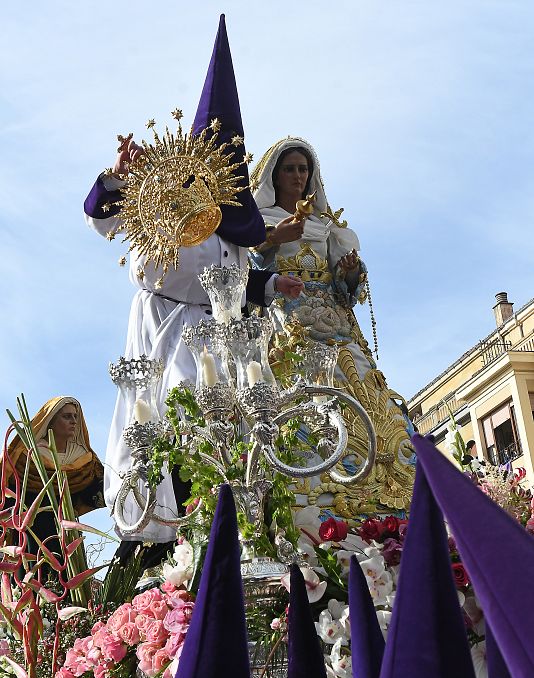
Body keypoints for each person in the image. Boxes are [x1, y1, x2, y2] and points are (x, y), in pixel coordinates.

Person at [84, 18, 302, 545]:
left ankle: (232, 527)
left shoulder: (233, 227)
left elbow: (230, 281)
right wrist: (119, 178)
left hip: (221, 335)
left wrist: (270, 288)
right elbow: (102, 217)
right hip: (168, 328)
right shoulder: (165, 198)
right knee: (174, 425)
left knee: (237, 434)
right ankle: (174, 537)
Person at [250, 137, 414, 521]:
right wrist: (275, 238)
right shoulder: (262, 220)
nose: (297, 175)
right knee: (295, 391)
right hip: (285, 317)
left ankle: (386, 475)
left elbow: (349, 288)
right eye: (289, 168)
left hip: (331, 319)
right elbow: (247, 265)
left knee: (359, 382)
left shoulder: (327, 226)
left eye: (302, 169)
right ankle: (311, 485)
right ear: (275, 174)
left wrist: (350, 270)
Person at [3, 397, 104, 571]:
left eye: (75, 416)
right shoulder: (29, 456)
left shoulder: (84, 459)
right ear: (51, 421)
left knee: (69, 579)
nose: (73, 421)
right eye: (67, 417)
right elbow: (9, 492)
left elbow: (94, 493)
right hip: (33, 532)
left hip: (67, 533)